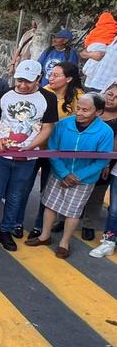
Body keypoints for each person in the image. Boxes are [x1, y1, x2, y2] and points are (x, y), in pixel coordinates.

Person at [0, 60, 58, 252]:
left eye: (28, 81)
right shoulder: (5, 95)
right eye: (20, 80)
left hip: (27, 158)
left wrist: (30, 146)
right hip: (0, 156)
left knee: (16, 196)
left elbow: (47, 128)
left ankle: (6, 230)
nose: (22, 85)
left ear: (39, 78)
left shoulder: (48, 98)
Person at [25, 93, 113, 258]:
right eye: (78, 108)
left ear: (98, 112)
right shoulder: (64, 124)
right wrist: (64, 173)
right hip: (59, 173)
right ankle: (44, 236)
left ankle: (64, 242)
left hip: (84, 179)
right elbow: (52, 148)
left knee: (73, 212)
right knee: (50, 205)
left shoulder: (105, 132)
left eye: (85, 110)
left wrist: (78, 176)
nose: (79, 113)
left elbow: (101, 161)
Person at [17, 61, 85, 239]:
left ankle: (39, 226)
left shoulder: (79, 98)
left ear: (68, 78)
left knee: (47, 190)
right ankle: (16, 222)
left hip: (58, 152)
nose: (51, 78)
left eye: (56, 75)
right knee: (24, 186)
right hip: (34, 147)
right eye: (50, 74)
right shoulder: (43, 92)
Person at [83, 82, 117, 244]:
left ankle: (88, 224)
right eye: (110, 94)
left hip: (104, 162)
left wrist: (107, 163)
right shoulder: (90, 112)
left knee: (96, 194)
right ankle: (63, 219)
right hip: (80, 159)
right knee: (71, 187)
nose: (112, 99)